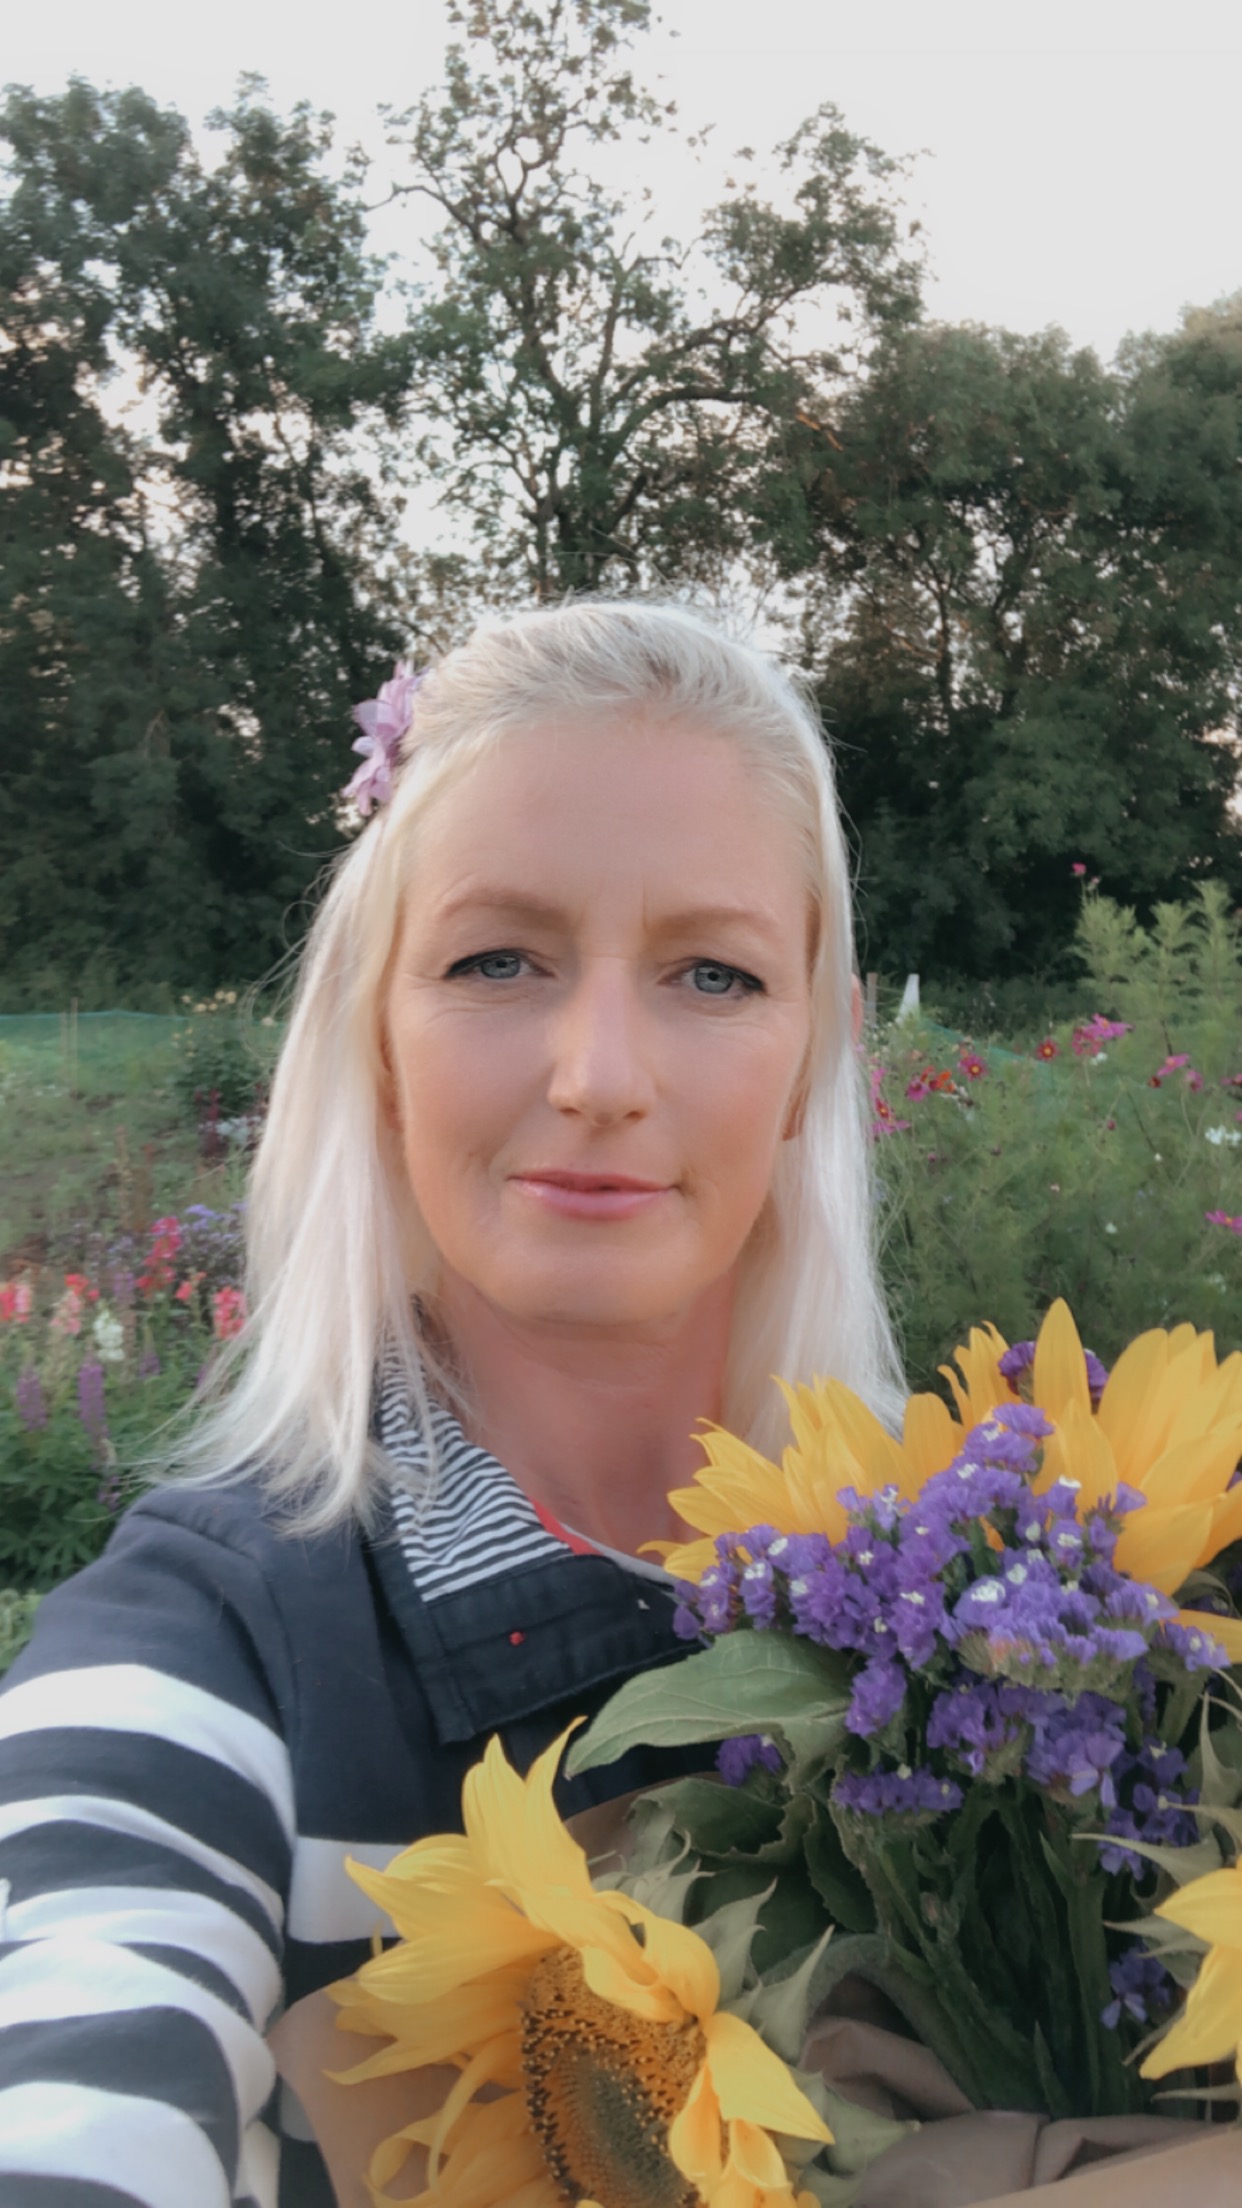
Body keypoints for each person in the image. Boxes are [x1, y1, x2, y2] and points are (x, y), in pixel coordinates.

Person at [0, 599, 902, 2206]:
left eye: (712, 973)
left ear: (811, 1059)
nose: (599, 1075)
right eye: (498, 961)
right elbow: (80, 2053)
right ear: (377, 1034)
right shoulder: (216, 1663)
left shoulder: (1004, 1606)